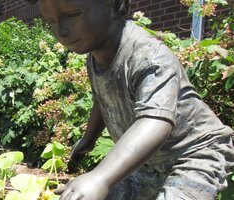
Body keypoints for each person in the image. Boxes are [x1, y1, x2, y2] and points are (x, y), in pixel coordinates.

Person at [27, 0, 234, 199]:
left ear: (114, 5)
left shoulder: (149, 57)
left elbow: (155, 120)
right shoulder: (95, 58)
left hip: (196, 155)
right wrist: (88, 140)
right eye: (50, 22)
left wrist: (101, 177)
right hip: (148, 162)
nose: (61, 31)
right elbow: (104, 99)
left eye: (72, 15)